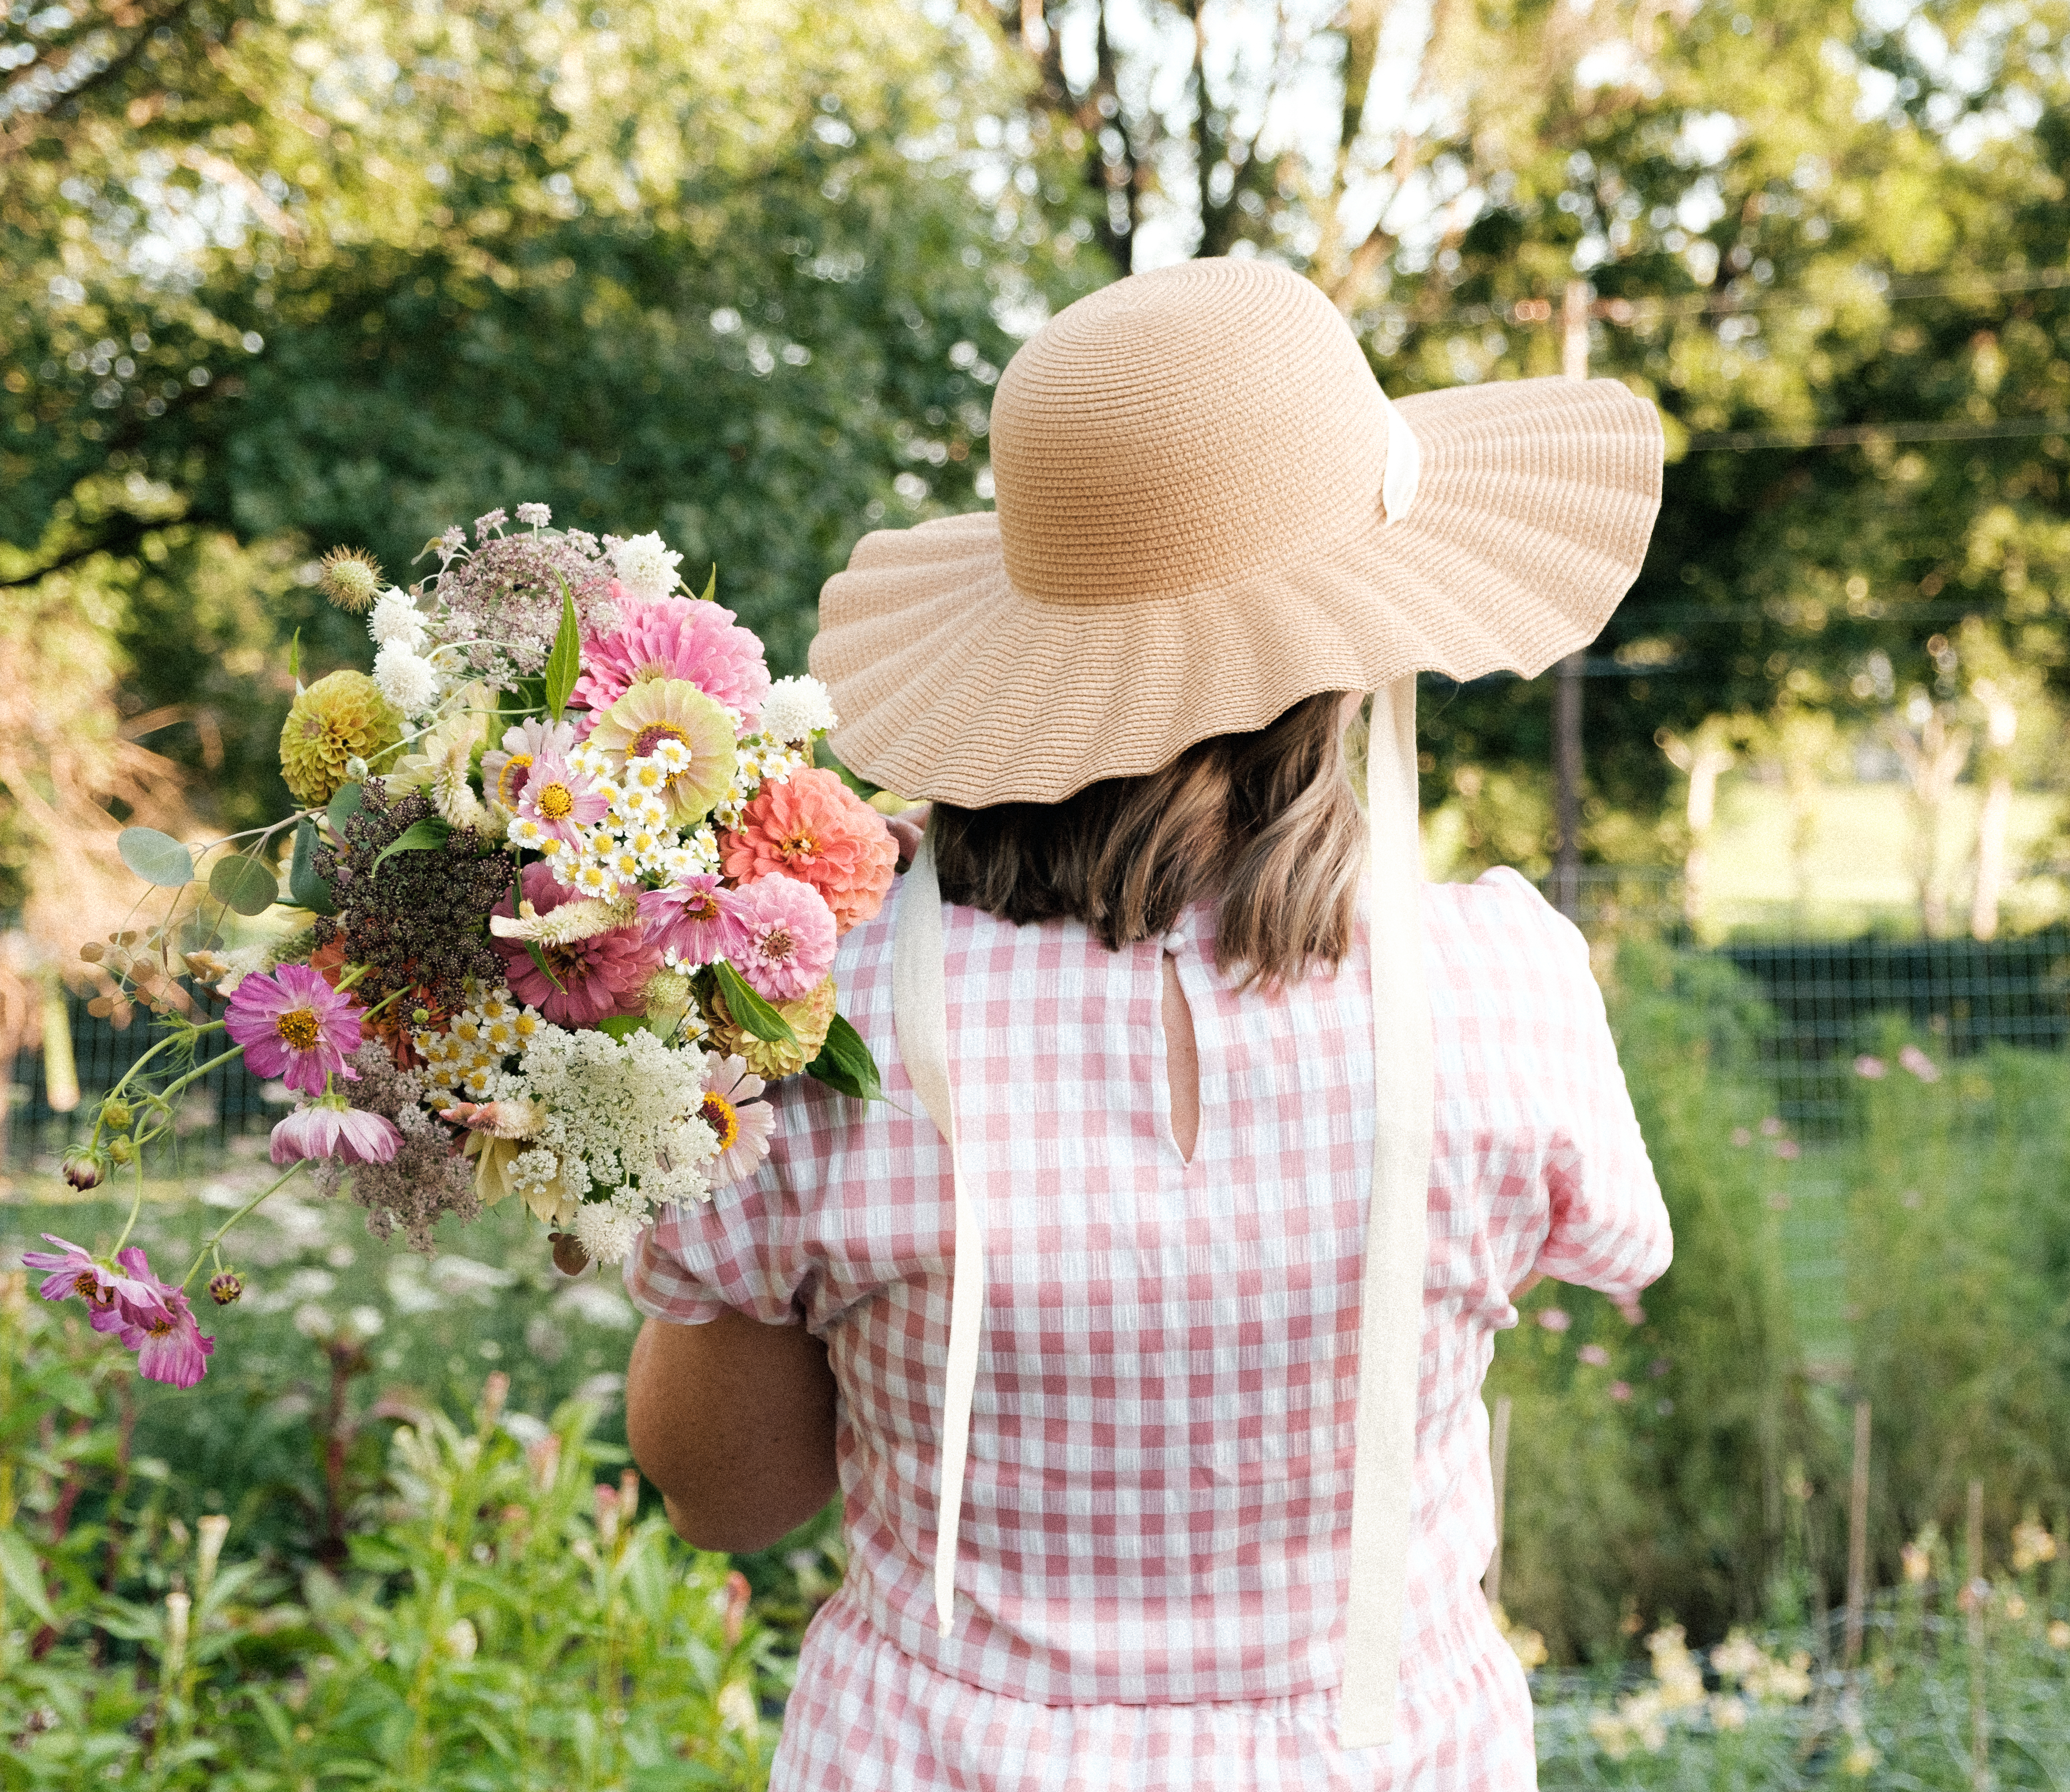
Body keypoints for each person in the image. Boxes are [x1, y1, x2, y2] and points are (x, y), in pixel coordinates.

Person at [625, 256, 1673, 1789]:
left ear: (1027, 665)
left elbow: (727, 1495)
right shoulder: (1501, 987)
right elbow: (1591, 1263)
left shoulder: (813, 1022)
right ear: (1350, 648)